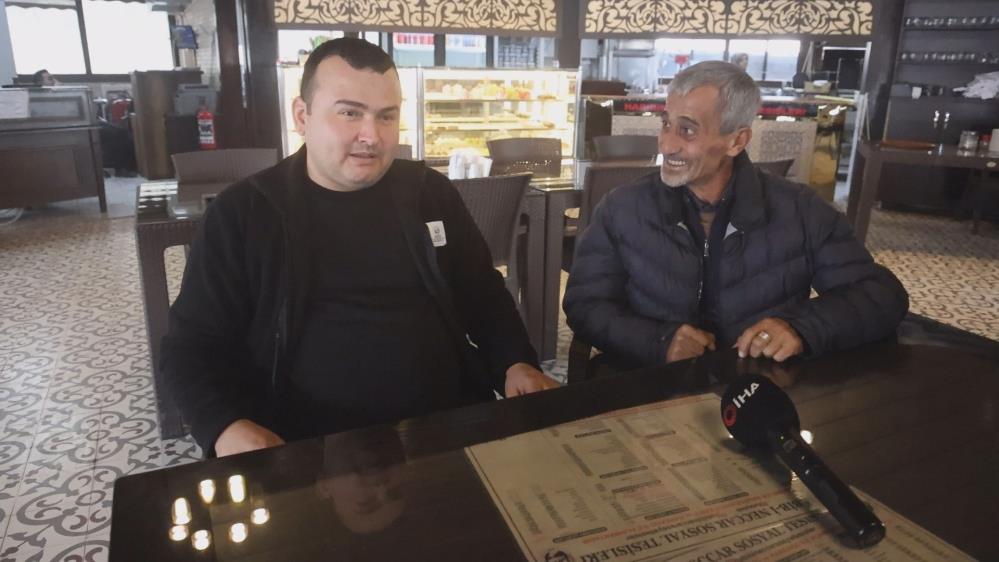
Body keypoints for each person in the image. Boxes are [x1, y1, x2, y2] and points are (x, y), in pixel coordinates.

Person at [162, 38, 558, 458]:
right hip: (305, 445)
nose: (372, 136)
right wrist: (225, 427)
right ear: (302, 116)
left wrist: (515, 362)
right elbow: (190, 345)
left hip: (441, 429)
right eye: (350, 113)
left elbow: (481, 293)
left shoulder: (429, 194)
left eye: (386, 116)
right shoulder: (244, 214)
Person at [564, 61, 908, 371]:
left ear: (737, 141)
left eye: (687, 130)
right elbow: (585, 305)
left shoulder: (799, 210)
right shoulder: (623, 208)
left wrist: (801, 328)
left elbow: (880, 294)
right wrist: (659, 342)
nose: (666, 145)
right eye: (666, 124)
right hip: (649, 386)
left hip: (759, 388)